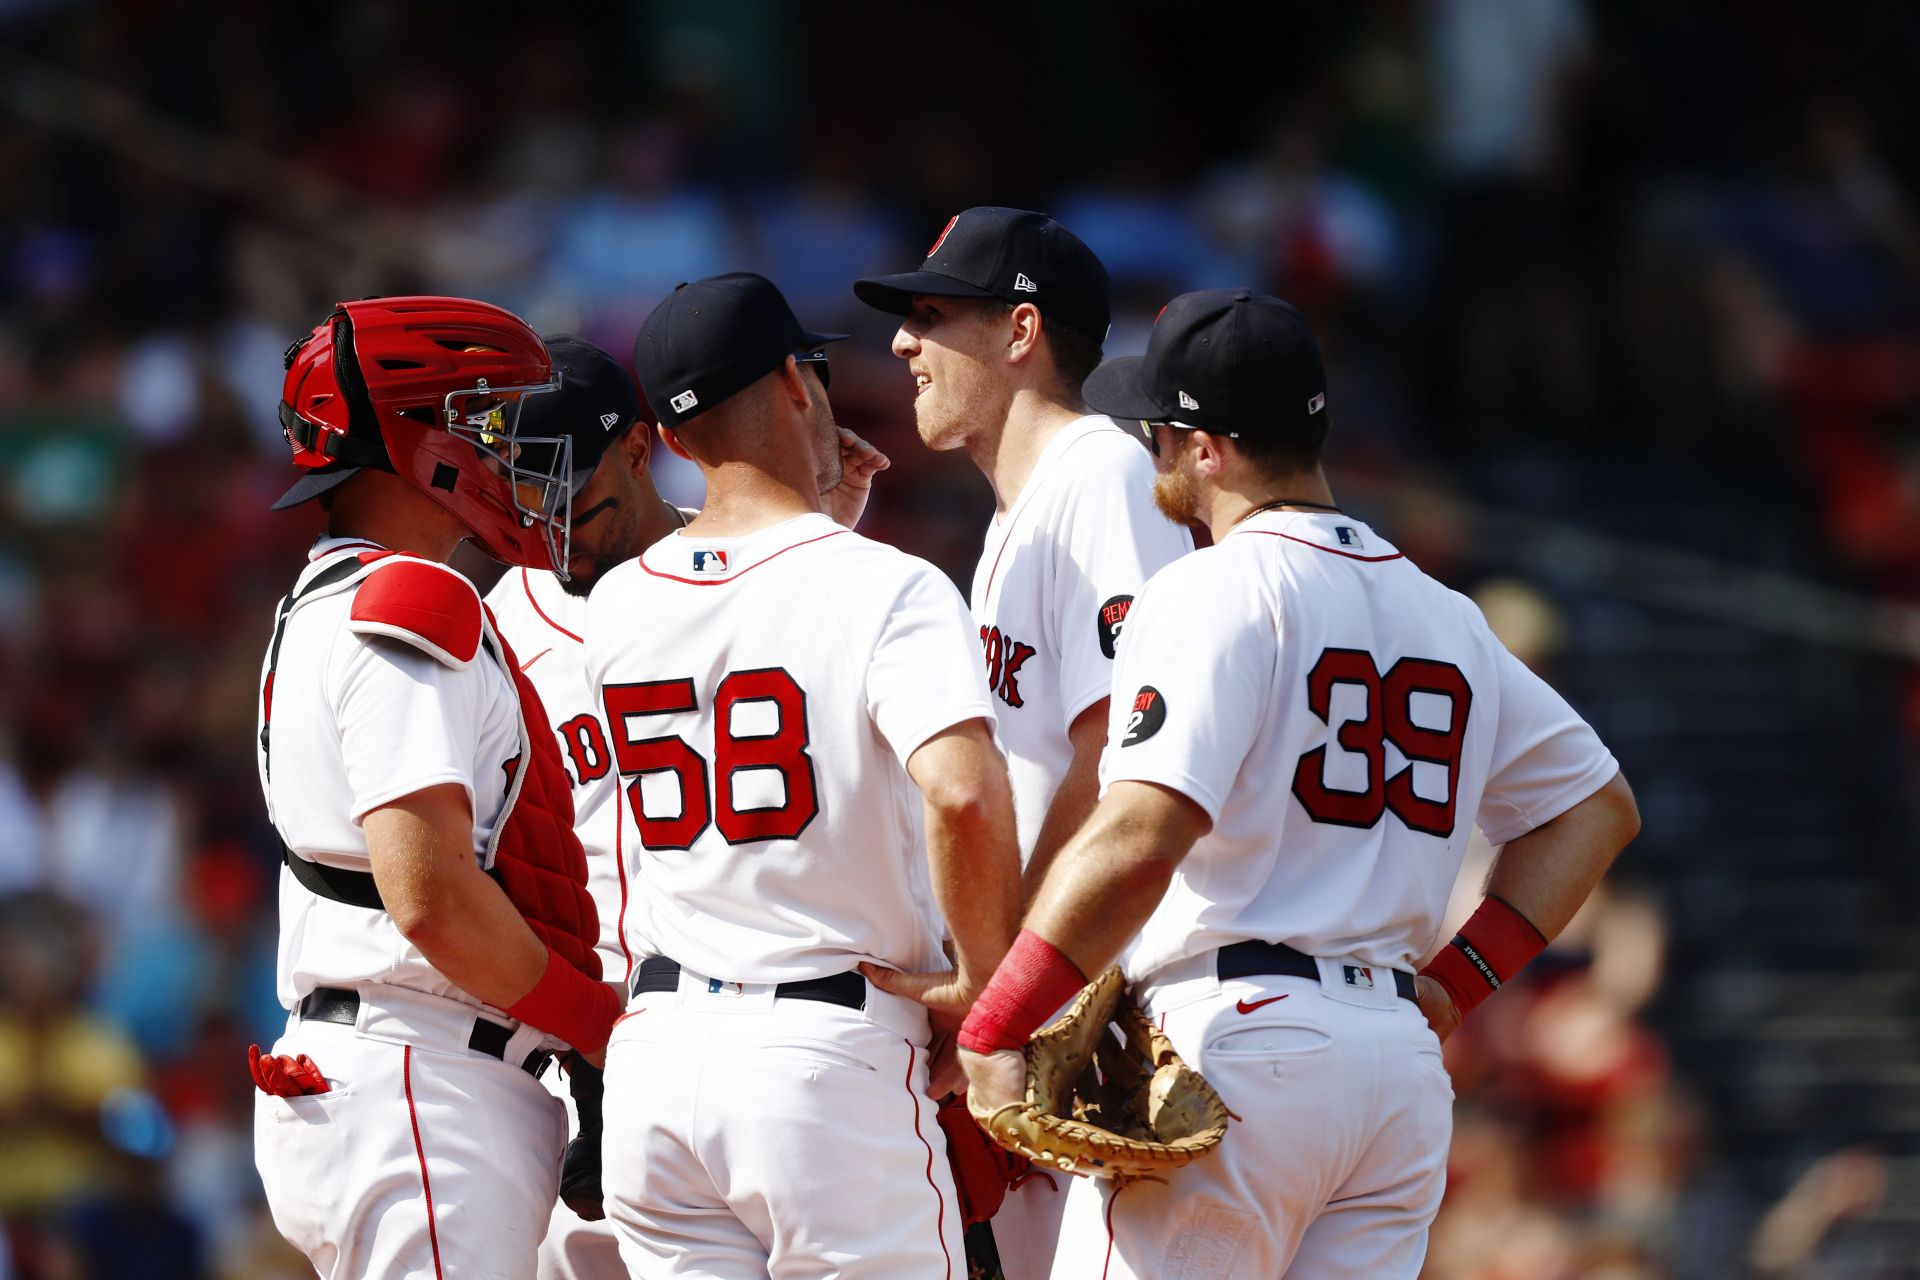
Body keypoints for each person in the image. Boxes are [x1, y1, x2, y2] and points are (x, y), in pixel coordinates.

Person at [957, 288, 1641, 1278]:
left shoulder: (1213, 586)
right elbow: (1596, 808)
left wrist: (997, 1020)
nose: (1151, 450)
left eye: (1161, 430)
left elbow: (1141, 832)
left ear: (1208, 448)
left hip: (1242, 1048)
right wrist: (1454, 985)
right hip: (1393, 1074)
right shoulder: (1444, 612)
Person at [587, 271, 1023, 1278]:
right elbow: (961, 789)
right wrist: (986, 992)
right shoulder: (888, 585)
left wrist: (825, 516)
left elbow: (748, 606)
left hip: (658, 1057)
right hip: (822, 1056)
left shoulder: (616, 605)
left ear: (676, 441)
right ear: (795, 379)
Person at [484, 334, 890, 1278]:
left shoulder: (743, 575)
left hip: (760, 1021)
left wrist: (819, 537)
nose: (556, 538)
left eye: (574, 507)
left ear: (638, 448)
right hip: (580, 1040)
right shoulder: (499, 626)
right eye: (528, 513)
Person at [252, 297, 621, 1280]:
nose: (512, 449)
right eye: (486, 423)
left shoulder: (322, 595)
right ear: (421, 440)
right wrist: (599, 1029)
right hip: (419, 1080)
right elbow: (431, 894)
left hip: (386, 1068)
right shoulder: (414, 598)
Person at [856, 208, 1192, 1276]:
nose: (904, 343)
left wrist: (1004, 975)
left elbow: (1122, 756)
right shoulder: (1019, 512)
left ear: (1020, 331)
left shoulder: (1101, 475)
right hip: (1054, 987)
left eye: (932, 314)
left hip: (1095, 990)